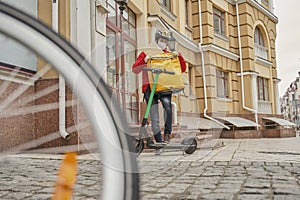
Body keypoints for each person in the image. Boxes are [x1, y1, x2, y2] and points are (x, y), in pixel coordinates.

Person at [132, 29, 186, 154]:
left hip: (164, 87)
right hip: (149, 88)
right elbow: (135, 69)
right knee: (154, 116)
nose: (163, 43)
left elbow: (181, 69)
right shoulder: (146, 53)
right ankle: (159, 143)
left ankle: (167, 134)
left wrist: (180, 57)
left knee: (168, 108)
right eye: (161, 40)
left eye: (165, 41)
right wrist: (144, 60)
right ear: (156, 41)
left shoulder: (168, 55)